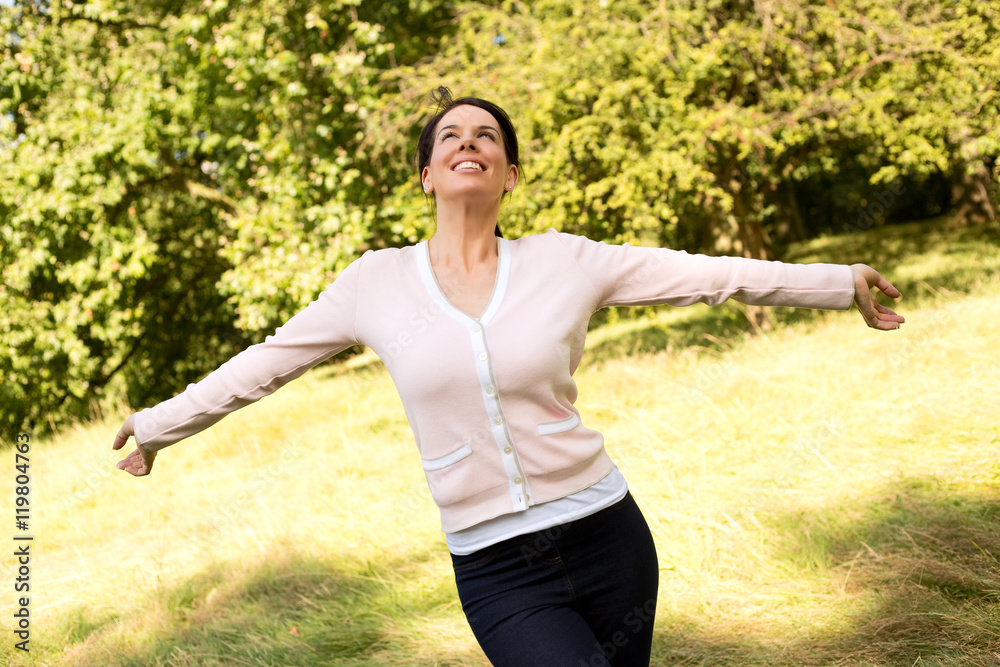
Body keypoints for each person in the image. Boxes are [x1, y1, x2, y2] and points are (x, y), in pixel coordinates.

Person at [113, 88, 904, 666]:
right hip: (496, 566)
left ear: (510, 173)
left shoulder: (565, 261)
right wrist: (156, 425)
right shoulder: (374, 283)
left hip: (608, 537)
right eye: (450, 135)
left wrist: (837, 282)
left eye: (487, 136)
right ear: (426, 172)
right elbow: (263, 365)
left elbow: (707, 275)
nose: (469, 141)